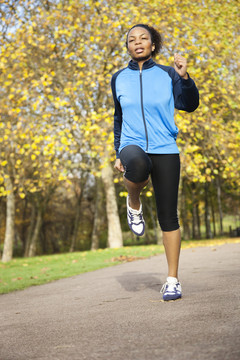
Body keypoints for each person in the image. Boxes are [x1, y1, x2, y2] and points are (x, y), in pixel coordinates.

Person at [111, 24, 199, 301]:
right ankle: (134, 203)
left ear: (152, 45)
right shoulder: (118, 78)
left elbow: (189, 104)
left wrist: (185, 78)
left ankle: (172, 279)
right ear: (127, 46)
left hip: (165, 147)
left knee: (168, 216)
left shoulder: (168, 74)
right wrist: (117, 152)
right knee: (136, 164)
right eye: (131, 40)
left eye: (143, 39)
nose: (137, 43)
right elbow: (118, 118)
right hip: (131, 143)